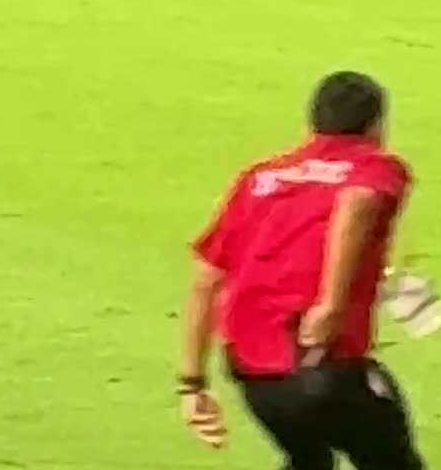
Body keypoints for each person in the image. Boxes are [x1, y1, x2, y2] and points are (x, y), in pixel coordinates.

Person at [175, 71, 426, 470]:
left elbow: (206, 280)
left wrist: (191, 385)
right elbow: (357, 204)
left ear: (313, 123)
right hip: (321, 363)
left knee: (308, 461)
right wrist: (331, 304)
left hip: (253, 375)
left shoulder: (260, 178)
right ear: (377, 124)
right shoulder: (374, 167)